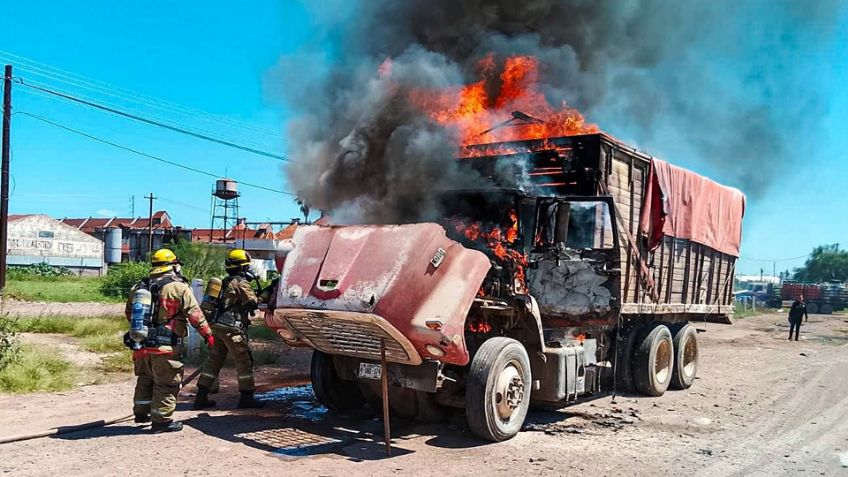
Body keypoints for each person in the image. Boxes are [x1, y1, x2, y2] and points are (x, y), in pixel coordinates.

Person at [125, 249, 214, 433]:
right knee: (166, 384)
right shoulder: (179, 288)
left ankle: (141, 413)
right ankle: (162, 421)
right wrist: (208, 335)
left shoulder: (139, 287)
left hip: (140, 345)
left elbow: (129, 313)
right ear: (173, 265)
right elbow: (195, 315)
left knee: (145, 379)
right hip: (165, 348)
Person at [194, 249, 265, 409]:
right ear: (243, 268)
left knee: (213, 362)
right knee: (243, 362)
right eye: (247, 267)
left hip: (217, 327)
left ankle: (201, 397)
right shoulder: (241, 283)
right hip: (232, 329)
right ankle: (247, 398)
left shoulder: (225, 281)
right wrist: (266, 293)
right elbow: (253, 303)